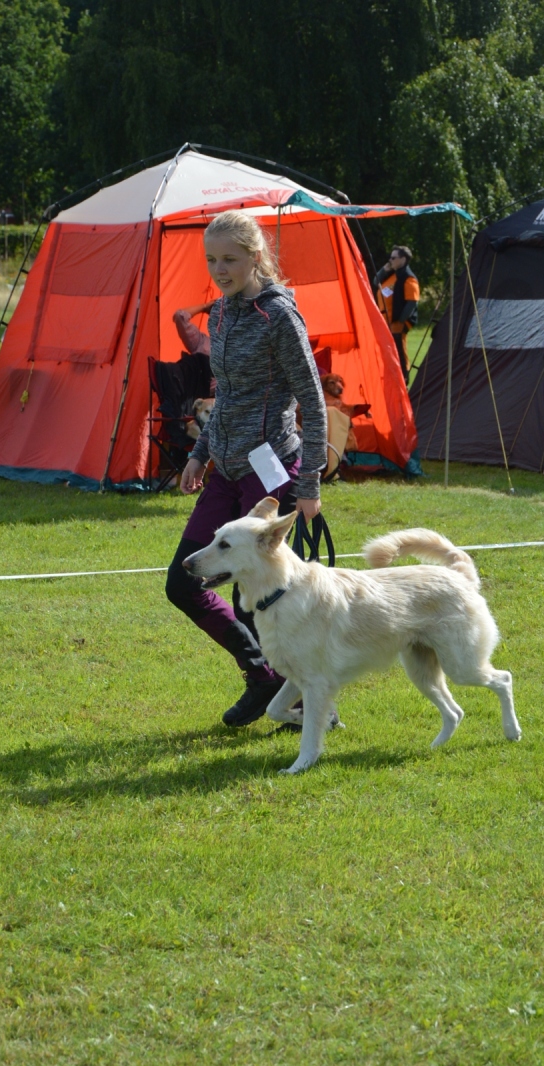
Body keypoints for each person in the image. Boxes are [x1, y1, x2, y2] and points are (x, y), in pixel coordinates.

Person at [165, 210, 328, 727]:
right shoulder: (219, 313)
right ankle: (264, 676)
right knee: (182, 583)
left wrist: (309, 483)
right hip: (226, 470)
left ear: (256, 257)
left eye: (230, 260)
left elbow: (314, 403)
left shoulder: (279, 316)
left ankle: (300, 696)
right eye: (212, 260)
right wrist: (199, 453)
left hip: (273, 469)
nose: (220, 270)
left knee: (266, 599)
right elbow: (227, 397)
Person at [374, 245, 420, 380]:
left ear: (403, 259)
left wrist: (400, 321)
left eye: (393, 258)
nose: (390, 260)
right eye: (390, 257)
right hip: (385, 322)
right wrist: (384, 270)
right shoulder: (392, 275)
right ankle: (391, 377)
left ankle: (404, 378)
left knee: (399, 351)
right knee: (387, 353)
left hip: (396, 323)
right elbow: (376, 281)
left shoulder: (409, 278)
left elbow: (412, 302)